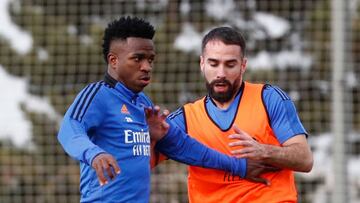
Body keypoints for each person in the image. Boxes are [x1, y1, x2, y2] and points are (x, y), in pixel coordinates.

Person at [57, 17, 274, 203]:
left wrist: (239, 166)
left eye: (150, 59)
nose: (147, 66)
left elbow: (183, 145)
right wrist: (95, 154)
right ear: (113, 60)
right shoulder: (98, 95)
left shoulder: (143, 104)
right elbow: (69, 129)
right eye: (138, 58)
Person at [167, 27, 314, 202]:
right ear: (202, 64)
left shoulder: (268, 98)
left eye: (230, 64)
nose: (221, 73)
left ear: (243, 65)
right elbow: (144, 156)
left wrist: (264, 151)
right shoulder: (186, 117)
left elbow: (305, 160)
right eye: (213, 64)